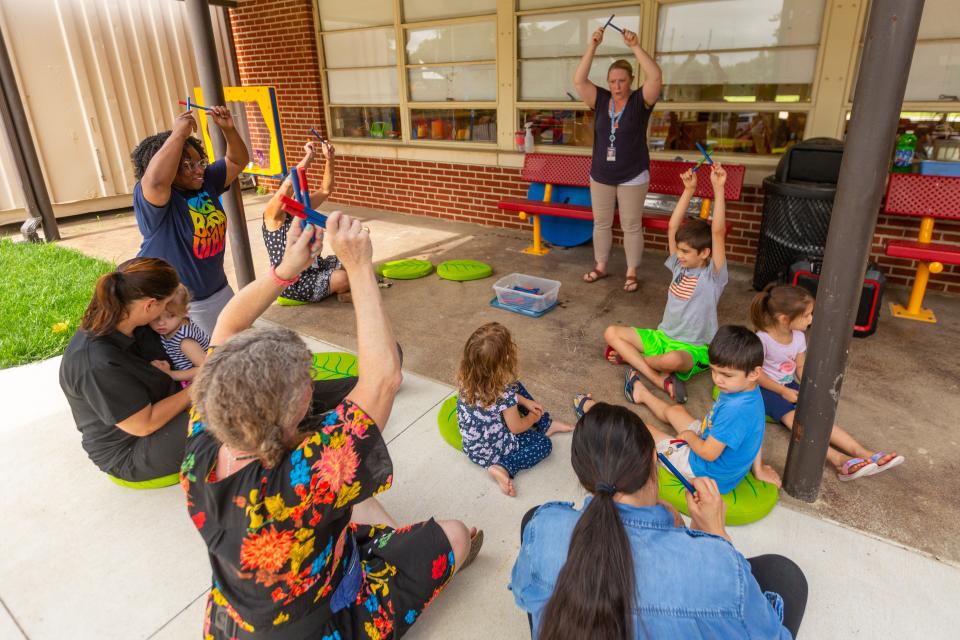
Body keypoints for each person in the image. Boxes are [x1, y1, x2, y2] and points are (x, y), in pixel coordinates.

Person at [182, 212, 482, 639]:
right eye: (308, 379)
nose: (313, 382)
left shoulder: (205, 437)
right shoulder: (304, 483)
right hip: (325, 624)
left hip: (237, 624)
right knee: (454, 536)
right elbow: (382, 379)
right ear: (295, 408)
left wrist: (287, 271)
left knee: (357, 497)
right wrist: (359, 265)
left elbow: (228, 325)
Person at [510, 402, 806, 639]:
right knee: (784, 575)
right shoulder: (717, 566)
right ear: (654, 460)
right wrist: (717, 538)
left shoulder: (544, 528)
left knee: (531, 520)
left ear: (583, 475)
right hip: (709, 562)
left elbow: (527, 595)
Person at [751, 285, 904, 481]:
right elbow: (756, 374)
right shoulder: (762, 339)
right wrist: (782, 391)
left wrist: (808, 387)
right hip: (765, 390)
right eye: (806, 315)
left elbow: (799, 365)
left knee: (816, 415)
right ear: (784, 318)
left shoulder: (798, 336)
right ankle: (838, 459)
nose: (811, 319)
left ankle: (863, 452)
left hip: (788, 386)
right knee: (796, 419)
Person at [603, 166, 728, 404]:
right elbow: (673, 227)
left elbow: (719, 232)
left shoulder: (713, 277)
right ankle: (658, 379)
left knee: (674, 361)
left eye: (685, 251)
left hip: (692, 349)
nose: (678, 255)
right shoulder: (679, 267)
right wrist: (688, 190)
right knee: (611, 332)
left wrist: (718, 188)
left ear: (705, 253)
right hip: (662, 338)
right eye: (678, 250)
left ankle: (632, 359)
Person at [59, 258, 191, 482]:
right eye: (167, 303)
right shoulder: (96, 363)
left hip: (162, 415)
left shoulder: (131, 321)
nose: (169, 310)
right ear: (149, 305)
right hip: (132, 450)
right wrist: (199, 388)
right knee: (229, 412)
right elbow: (143, 424)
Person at [130, 106, 249, 336]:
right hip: (180, 305)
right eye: (186, 166)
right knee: (206, 363)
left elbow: (236, 161)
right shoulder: (155, 199)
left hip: (218, 290)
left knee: (240, 350)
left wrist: (229, 130)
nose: (198, 170)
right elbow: (155, 181)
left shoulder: (206, 182)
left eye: (200, 162)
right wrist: (178, 135)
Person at [618, 324, 782, 490]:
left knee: (644, 430)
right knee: (676, 411)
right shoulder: (749, 388)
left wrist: (689, 437)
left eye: (726, 375)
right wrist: (759, 469)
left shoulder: (735, 411)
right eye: (714, 371)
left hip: (705, 472)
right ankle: (642, 395)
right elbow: (756, 433)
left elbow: (709, 454)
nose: (717, 379)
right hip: (710, 441)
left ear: (754, 373)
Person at [574, 25, 662, 292]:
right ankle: (601, 266)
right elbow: (579, 81)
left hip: (633, 174)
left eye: (621, 81)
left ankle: (631, 271)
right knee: (601, 222)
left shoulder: (639, 101)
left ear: (631, 80)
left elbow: (656, 77)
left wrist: (635, 45)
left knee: (631, 225)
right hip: (600, 174)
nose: (616, 86)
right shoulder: (600, 99)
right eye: (612, 81)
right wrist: (593, 46)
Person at [455, 322, 573, 497]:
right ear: (505, 361)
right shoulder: (505, 396)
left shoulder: (466, 380)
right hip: (495, 450)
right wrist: (532, 418)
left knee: (515, 386)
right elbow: (516, 428)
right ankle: (503, 466)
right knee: (543, 444)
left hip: (473, 448)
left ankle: (547, 424)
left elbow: (503, 396)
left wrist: (524, 401)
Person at [263, 139, 350, 305]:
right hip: (294, 281)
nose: (298, 198)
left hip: (315, 266)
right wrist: (309, 157)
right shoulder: (273, 217)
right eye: (293, 195)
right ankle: (342, 289)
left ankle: (341, 290)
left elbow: (325, 190)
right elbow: (288, 185)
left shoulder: (301, 206)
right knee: (342, 278)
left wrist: (329, 159)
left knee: (350, 258)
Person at [148, 283, 209, 383]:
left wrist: (171, 374)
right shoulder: (172, 327)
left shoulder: (185, 341)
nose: (161, 322)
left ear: (185, 311)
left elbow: (205, 368)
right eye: (156, 317)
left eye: (171, 316)